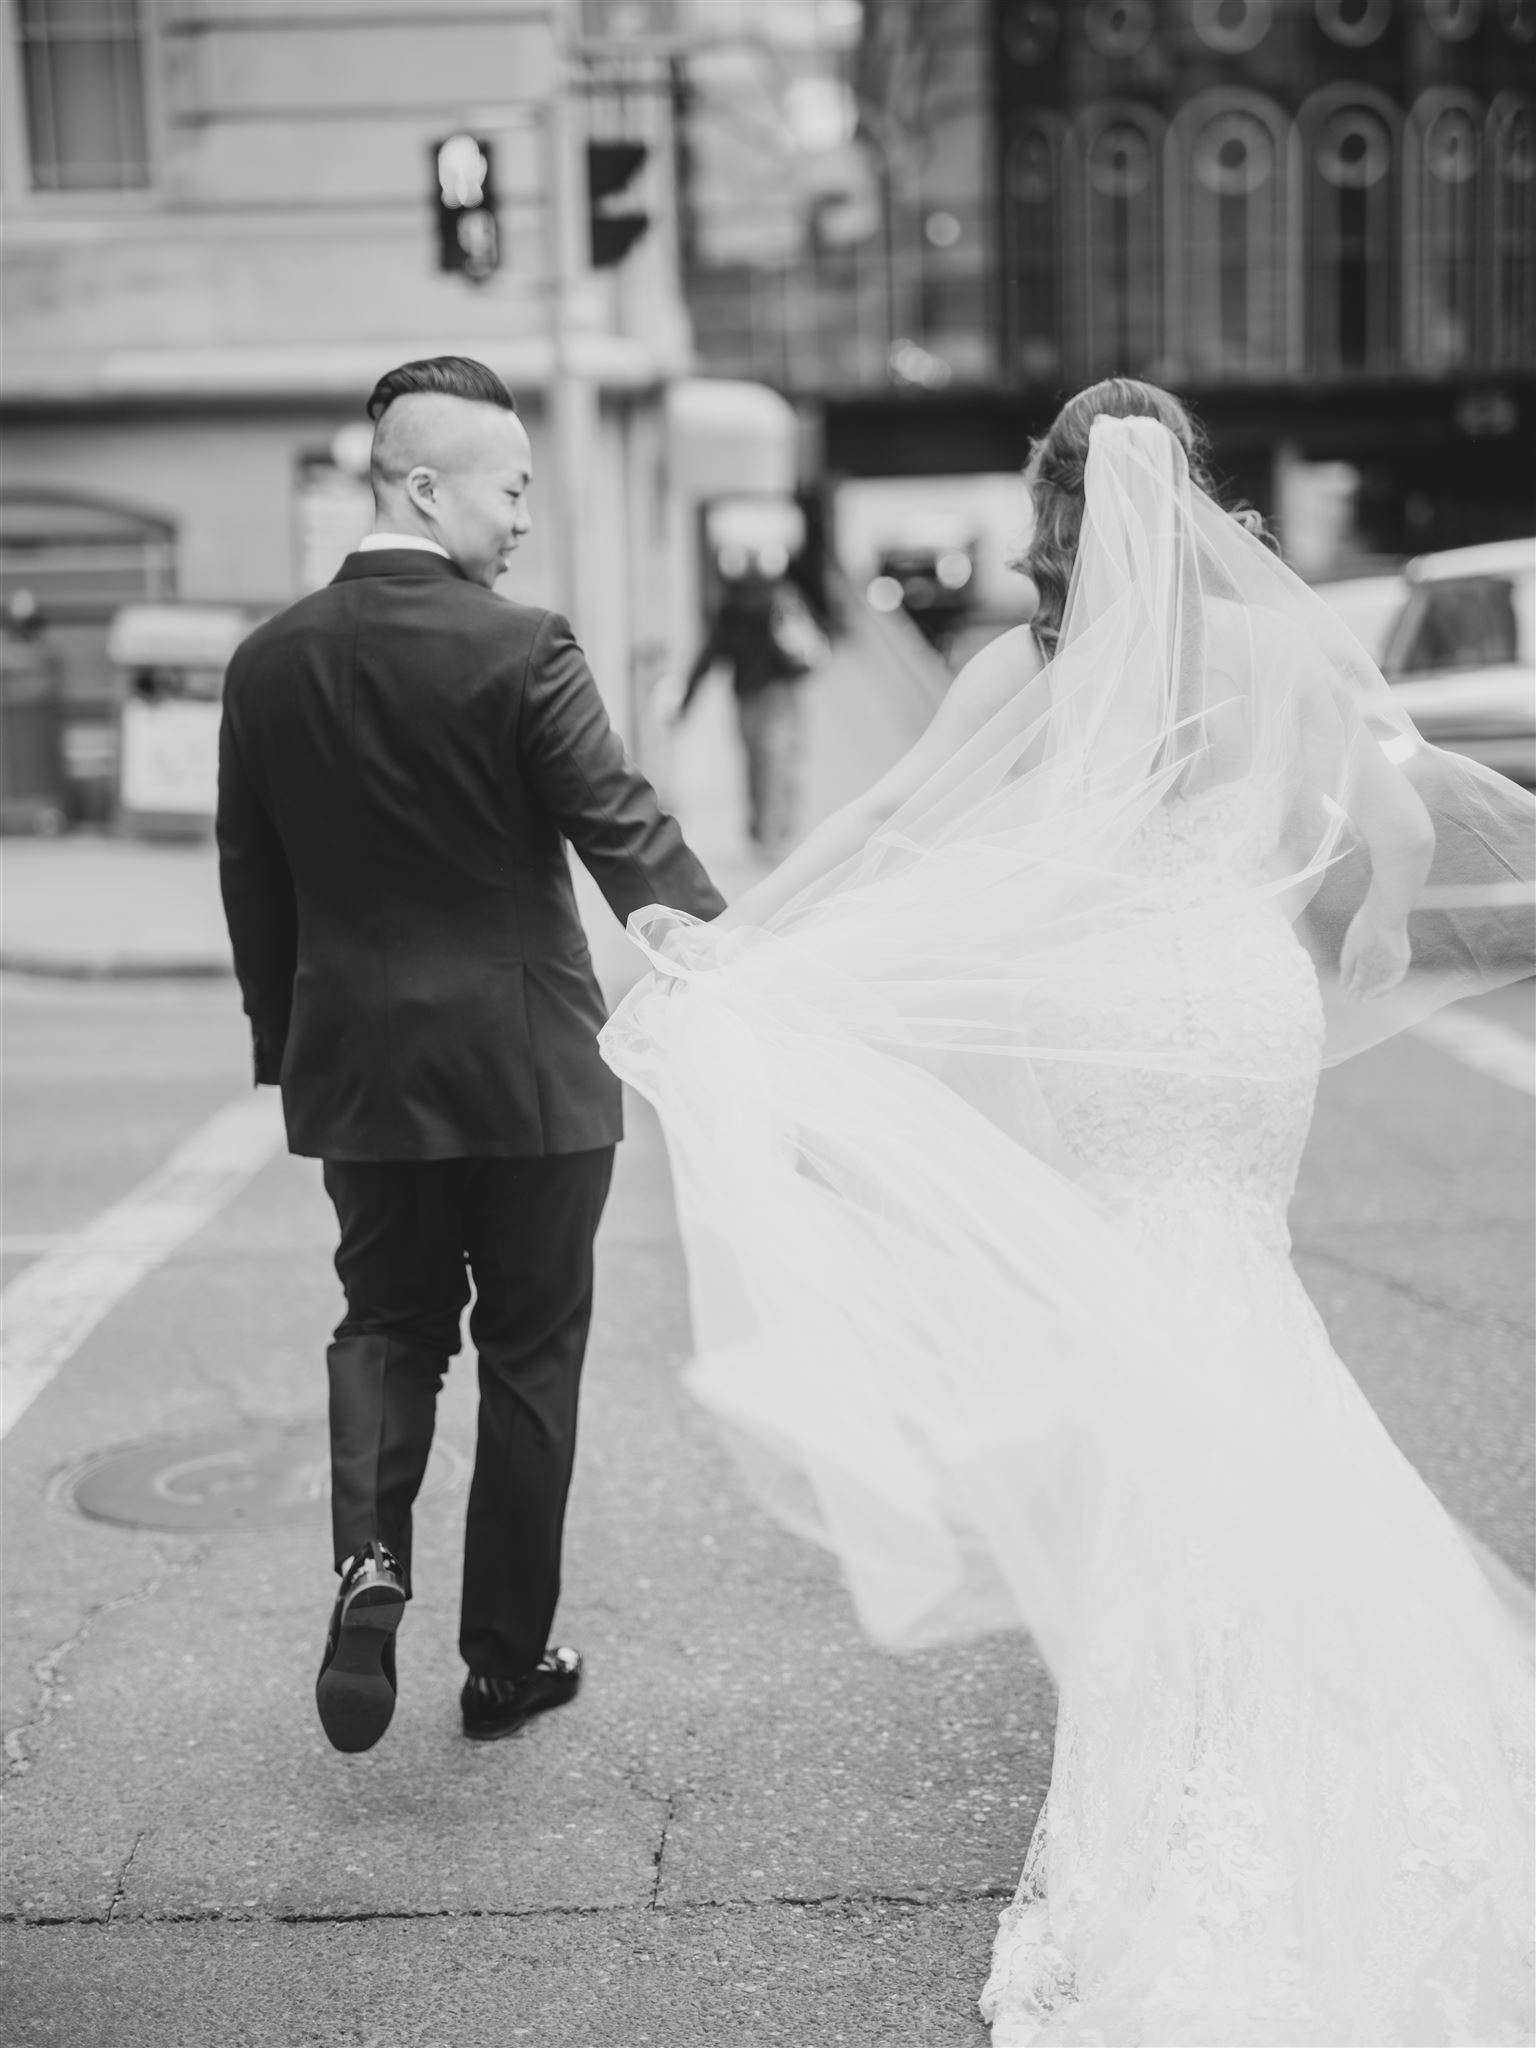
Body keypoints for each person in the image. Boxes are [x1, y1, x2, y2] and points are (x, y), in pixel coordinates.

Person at [601, 380, 1535, 2041]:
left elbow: (900, 827)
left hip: (1114, 1021)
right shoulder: (1277, 649)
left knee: (1142, 1338)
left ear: (1049, 511)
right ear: (1192, 504)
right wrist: (1381, 929)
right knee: (1244, 1297)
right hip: (1248, 1017)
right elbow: (1394, 818)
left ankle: (1172, 1721)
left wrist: (751, 951)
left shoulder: (1025, 670)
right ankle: (1302, 1679)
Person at [216, 355, 724, 1755]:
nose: (523, 517)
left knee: (387, 1325)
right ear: (426, 485)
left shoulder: (268, 663)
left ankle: (368, 1563)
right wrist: (735, 966)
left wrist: (291, 1048)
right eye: (511, 487)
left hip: (364, 1078)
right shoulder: (522, 647)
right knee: (529, 1359)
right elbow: (625, 834)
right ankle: (504, 1660)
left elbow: (252, 882)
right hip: (534, 1080)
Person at [674, 548, 825, 861]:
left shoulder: (730, 608)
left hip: (746, 696)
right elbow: (806, 643)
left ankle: (761, 830)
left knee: (756, 762)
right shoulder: (780, 600)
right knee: (779, 761)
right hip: (780, 693)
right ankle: (775, 833)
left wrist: (687, 700)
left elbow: (708, 655)